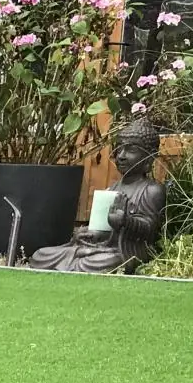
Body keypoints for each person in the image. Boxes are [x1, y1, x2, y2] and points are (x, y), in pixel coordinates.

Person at [26, 116, 165, 273]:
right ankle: (81, 257)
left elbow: (151, 230)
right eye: (119, 148)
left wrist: (126, 221)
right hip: (100, 248)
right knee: (41, 255)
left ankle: (79, 262)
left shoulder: (152, 190)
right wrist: (87, 233)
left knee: (110, 261)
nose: (121, 155)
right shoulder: (113, 188)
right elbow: (102, 230)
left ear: (149, 156)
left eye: (131, 150)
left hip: (124, 250)